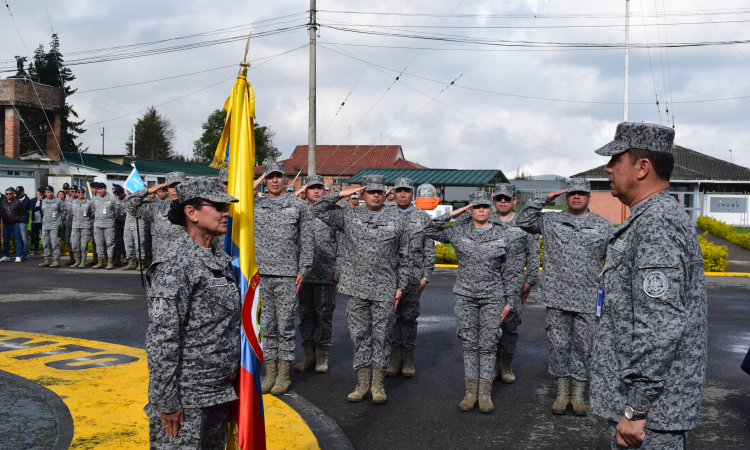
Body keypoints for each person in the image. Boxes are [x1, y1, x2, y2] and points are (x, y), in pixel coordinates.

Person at [587, 122, 707, 449]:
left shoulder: (659, 223)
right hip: (645, 411)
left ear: (642, 167)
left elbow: (661, 325)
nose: (607, 168)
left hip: (651, 417)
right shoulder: (648, 216)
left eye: (615, 160)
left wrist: (637, 407)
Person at [145, 176, 240, 449]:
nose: (226, 213)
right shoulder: (176, 264)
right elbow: (162, 339)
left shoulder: (218, 258)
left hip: (218, 390)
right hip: (187, 396)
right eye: (218, 207)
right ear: (191, 212)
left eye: (227, 207)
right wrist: (167, 401)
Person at [517, 178, 613, 416]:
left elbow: (613, 263)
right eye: (572, 193)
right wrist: (546, 198)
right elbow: (523, 220)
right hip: (557, 296)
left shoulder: (603, 226)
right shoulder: (550, 220)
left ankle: (578, 394)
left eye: (582, 193)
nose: (577, 197)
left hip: (588, 297)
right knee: (559, 345)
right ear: (566, 196)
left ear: (589, 197)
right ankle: (561, 393)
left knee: (584, 346)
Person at [313, 175, 410, 405]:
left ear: (386, 195)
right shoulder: (349, 215)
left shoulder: (398, 219)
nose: (375, 195)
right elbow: (318, 209)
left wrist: (401, 287)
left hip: (385, 288)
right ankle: (362, 383)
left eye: (379, 192)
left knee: (382, 336)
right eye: (370, 191)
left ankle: (377, 385)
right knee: (359, 336)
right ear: (363, 194)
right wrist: (342, 194)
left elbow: (406, 257)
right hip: (356, 288)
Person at [424, 191, 509, 414]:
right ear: (470, 209)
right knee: (470, 344)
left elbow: (510, 272)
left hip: (493, 296)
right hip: (465, 296)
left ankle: (485, 394)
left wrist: (510, 302)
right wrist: (454, 212)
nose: (481, 210)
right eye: (476, 206)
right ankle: (471, 393)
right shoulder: (458, 231)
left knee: (489, 345)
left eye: (485, 206)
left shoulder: (504, 234)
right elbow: (428, 229)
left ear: (491, 210)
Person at [455, 183, 540, 384]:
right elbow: (459, 224)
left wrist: (531, 279)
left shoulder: (524, 222)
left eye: (507, 198)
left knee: (510, 324)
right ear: (493, 200)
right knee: (488, 327)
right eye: (499, 198)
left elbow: (533, 251)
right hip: (488, 281)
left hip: (514, 281)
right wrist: (474, 205)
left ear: (514, 200)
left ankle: (506, 365)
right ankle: (490, 366)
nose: (503, 201)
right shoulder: (484, 218)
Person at [255, 163, 315, 396]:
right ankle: (269, 373)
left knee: (285, 327)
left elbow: (308, 241)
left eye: (279, 177)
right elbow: (233, 199)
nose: (275, 181)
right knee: (267, 327)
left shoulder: (298, 206)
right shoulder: (256, 205)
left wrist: (304, 270)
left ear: (286, 180)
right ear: (265, 180)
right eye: (270, 177)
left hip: (287, 275)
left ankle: (283, 374)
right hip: (261, 275)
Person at [385, 178, 435, 378]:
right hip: (389, 276)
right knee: (391, 318)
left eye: (406, 191)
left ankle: (408, 360)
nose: (403, 194)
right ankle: (394, 359)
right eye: (399, 191)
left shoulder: (422, 217)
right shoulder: (385, 215)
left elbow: (429, 249)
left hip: (414, 277)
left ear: (412, 193)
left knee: (409, 319)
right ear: (394, 193)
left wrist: (426, 275)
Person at [293, 175, 341, 375]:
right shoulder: (298, 211)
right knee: (305, 315)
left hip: (325, 274)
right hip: (303, 275)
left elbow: (342, 245)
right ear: (305, 191)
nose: (316, 191)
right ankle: (308, 355)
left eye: (319, 188)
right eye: (312, 188)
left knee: (324, 316)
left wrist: (337, 272)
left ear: (325, 191)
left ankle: (322, 355)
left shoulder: (335, 213)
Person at [125, 172, 187, 260]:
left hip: (187, 263)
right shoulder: (158, 207)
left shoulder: (197, 209)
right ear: (167, 188)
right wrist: (148, 190)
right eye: (172, 186)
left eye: (179, 186)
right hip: (163, 262)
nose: (175, 190)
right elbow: (130, 206)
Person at [92, 182, 117, 270]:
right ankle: (100, 261)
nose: (100, 191)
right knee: (99, 243)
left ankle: (109, 261)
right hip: (98, 224)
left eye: (101, 189)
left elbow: (116, 211)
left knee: (110, 243)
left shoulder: (112, 198)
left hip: (109, 224)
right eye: (98, 189)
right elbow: (92, 211)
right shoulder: (94, 199)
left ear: (105, 188)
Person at [39, 185, 65, 267]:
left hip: (55, 224)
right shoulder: (43, 201)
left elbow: (64, 211)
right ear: (45, 193)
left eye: (51, 192)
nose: (50, 193)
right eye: (48, 192)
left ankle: (56, 260)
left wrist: (59, 221)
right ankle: (47, 259)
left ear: (53, 192)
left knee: (55, 243)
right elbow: (43, 212)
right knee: (45, 242)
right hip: (45, 224)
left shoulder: (58, 201)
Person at [70, 187, 94, 268]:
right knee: (74, 244)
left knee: (84, 245)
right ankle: (77, 261)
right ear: (76, 193)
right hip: (75, 226)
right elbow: (71, 214)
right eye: (78, 192)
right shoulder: (73, 203)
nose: (80, 193)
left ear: (84, 193)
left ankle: (83, 261)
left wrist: (89, 224)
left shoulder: (89, 203)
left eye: (82, 192)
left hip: (85, 226)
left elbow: (92, 214)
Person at [1, 187, 26, 262]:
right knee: (6, 240)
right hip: (5, 224)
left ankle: (18, 256)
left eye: (10, 194)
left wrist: (17, 218)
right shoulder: (2, 203)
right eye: (7, 194)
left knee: (17, 240)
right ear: (5, 195)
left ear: (13, 194)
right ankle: (6, 255)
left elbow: (23, 213)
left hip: (15, 224)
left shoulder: (18, 202)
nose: (8, 195)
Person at [112, 185, 128, 266]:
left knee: (126, 241)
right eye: (117, 194)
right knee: (118, 241)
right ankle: (118, 258)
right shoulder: (115, 200)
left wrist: (124, 220)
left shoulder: (128, 199)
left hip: (126, 224)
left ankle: (125, 256)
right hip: (117, 224)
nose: (118, 196)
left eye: (119, 194)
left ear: (123, 192)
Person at [16, 186, 33, 259]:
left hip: (23, 221)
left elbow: (20, 207)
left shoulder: (27, 200)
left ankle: (25, 253)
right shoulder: (16, 198)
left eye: (19, 193)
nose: (18, 194)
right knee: (17, 238)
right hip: (16, 221)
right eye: (17, 193)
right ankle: (19, 252)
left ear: (23, 191)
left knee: (24, 238)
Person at [63, 185, 77, 266]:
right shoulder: (67, 200)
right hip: (69, 223)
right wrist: (64, 219)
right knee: (68, 240)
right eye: (72, 191)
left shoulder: (81, 200)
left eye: (75, 191)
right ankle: (71, 257)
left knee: (77, 242)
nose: (74, 193)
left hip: (78, 224)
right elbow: (64, 211)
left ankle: (79, 258)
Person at [30, 188, 44, 256]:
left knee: (44, 236)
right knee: (35, 237)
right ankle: (36, 250)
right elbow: (32, 208)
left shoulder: (44, 200)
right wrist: (39, 207)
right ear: (37, 192)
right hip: (34, 221)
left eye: (42, 192)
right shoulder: (33, 200)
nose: (40, 193)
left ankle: (44, 251)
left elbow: (43, 208)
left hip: (42, 221)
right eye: (39, 192)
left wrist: (41, 200)